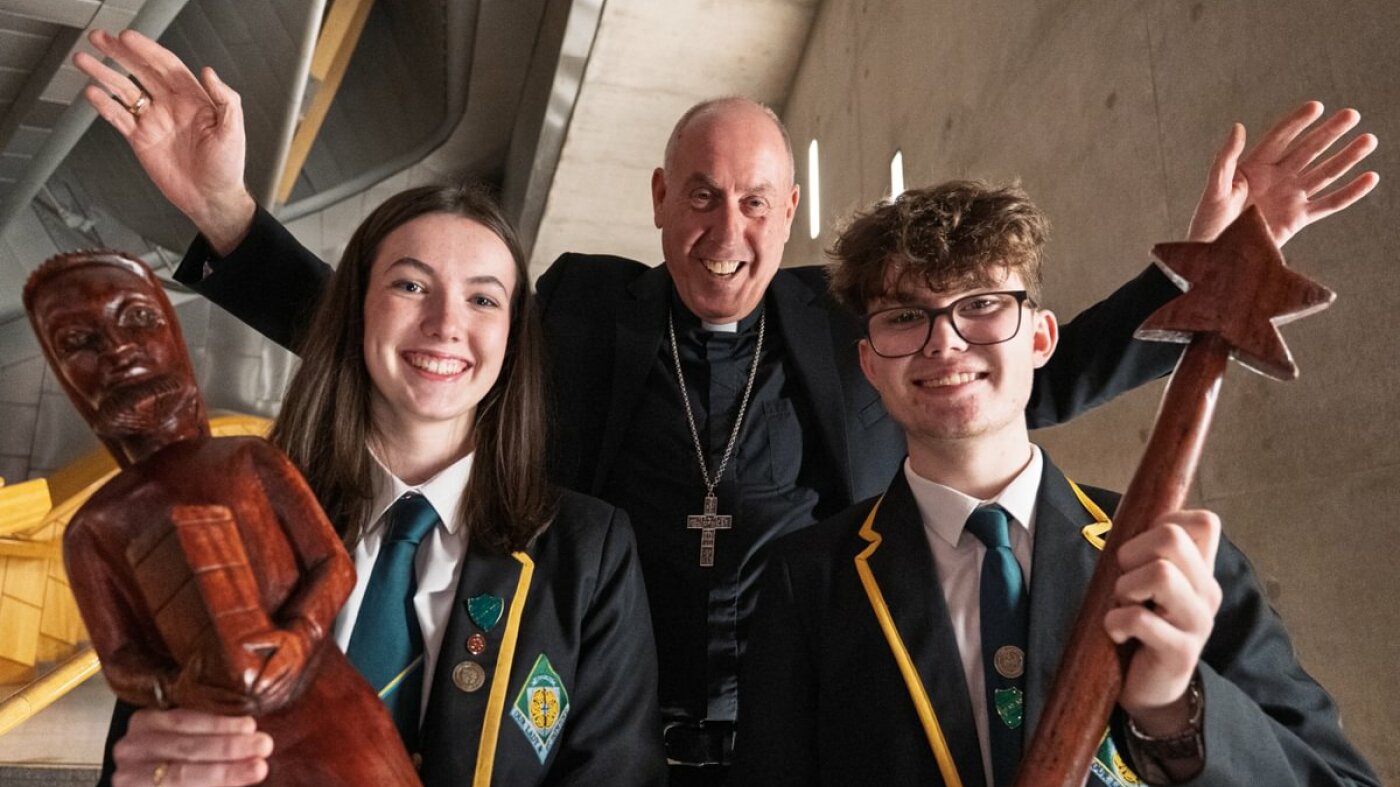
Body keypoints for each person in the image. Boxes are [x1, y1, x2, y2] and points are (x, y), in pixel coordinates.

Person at [74, 28, 1377, 784]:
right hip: (588, 712)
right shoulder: (582, 307)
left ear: (790, 217)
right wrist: (234, 222)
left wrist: (1208, 277)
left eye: (755, 202)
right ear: (656, 202)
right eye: (699, 196)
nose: (726, 228)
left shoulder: (859, 327)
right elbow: (418, 343)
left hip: (807, 718)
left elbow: (1032, 366)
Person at [730, 180, 1380, 786]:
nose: (945, 342)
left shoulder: (1170, 557)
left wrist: (1174, 712)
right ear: (869, 364)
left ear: (1041, 338)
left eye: (982, 303)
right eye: (905, 316)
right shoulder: (808, 579)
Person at [86, 185, 666, 786]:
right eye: (410, 285)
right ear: (356, 307)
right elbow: (140, 762)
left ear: (514, 338)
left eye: (483, 299)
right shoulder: (228, 525)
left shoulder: (587, 554)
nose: (446, 324)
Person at [24, 250, 418, 785]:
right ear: (66, 378)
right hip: (220, 749)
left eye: (138, 319)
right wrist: (184, 687)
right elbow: (121, 659)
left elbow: (331, 563)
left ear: (174, 336)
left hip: (330, 706)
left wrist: (296, 641)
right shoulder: (95, 529)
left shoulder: (249, 459)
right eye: (78, 342)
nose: (118, 352)